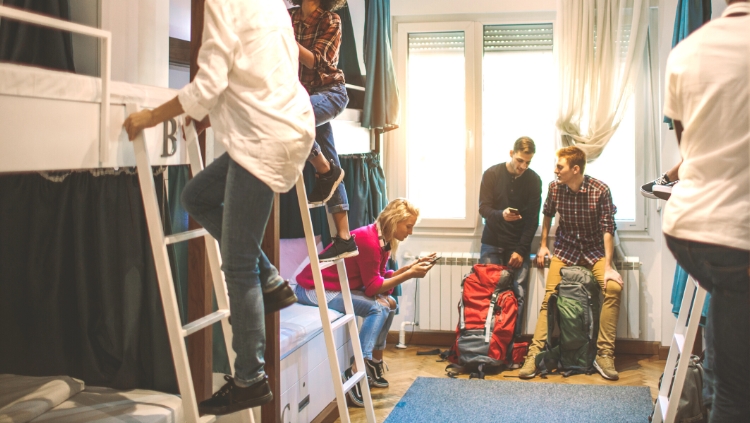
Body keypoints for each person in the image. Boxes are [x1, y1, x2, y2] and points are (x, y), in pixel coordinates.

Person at [123, 0, 315, 415]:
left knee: (237, 263)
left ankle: (250, 378)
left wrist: (151, 116)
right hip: (284, 126)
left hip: (263, 134)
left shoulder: (225, 5)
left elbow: (208, 85)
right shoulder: (271, 5)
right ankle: (271, 280)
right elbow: (254, 71)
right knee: (196, 197)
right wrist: (208, 114)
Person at [662, 1, 750, 420]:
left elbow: (691, 146)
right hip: (737, 234)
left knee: (730, 370)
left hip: (689, 230)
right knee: (737, 390)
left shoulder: (687, 50)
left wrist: (682, 168)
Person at [293, 198, 435, 407]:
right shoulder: (368, 240)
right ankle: (355, 371)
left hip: (335, 286)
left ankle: (375, 363)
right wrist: (409, 275)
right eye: (408, 226)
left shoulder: (381, 239)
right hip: (312, 288)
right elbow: (372, 287)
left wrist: (409, 268)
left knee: (390, 304)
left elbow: (379, 278)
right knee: (378, 307)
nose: (410, 232)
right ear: (395, 221)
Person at [518, 146, 624, 381]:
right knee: (549, 297)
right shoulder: (555, 187)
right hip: (566, 250)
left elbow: (608, 229)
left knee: (614, 288)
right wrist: (544, 244)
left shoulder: (600, 190)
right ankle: (535, 354)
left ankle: (604, 354)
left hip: (595, 251)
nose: (555, 170)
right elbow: (547, 214)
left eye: (560, 166)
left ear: (575, 169)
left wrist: (608, 266)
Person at [291, 0, 358, 262]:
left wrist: (283, 38)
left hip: (330, 93)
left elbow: (314, 62)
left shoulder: (331, 20)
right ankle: (344, 238)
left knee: (292, 120)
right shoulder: (290, 16)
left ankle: (325, 170)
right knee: (331, 158)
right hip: (303, 95)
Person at [478, 136, 542, 339]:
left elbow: (533, 220)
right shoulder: (492, 174)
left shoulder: (534, 180)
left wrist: (521, 250)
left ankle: (511, 345)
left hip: (518, 245)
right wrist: (501, 214)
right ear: (511, 153)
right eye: (520, 160)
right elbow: (483, 208)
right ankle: (487, 344)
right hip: (492, 242)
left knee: (518, 295)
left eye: (528, 162)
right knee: (488, 294)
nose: (523, 166)